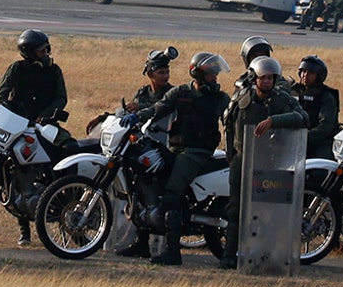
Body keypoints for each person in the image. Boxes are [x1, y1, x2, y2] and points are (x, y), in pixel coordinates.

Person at [133, 50, 231, 266]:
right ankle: (141, 243)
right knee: (149, 180)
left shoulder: (220, 98)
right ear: (196, 74)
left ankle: (173, 252)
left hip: (197, 152)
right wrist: (136, 117)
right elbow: (159, 108)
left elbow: (232, 120)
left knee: (170, 196)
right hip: (176, 148)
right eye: (211, 74)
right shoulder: (181, 92)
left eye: (215, 74)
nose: (215, 78)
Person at [221, 56, 307, 263]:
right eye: (263, 77)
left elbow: (302, 118)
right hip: (242, 159)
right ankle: (229, 256)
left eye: (270, 78)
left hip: (269, 161)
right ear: (254, 78)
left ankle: (266, 255)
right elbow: (228, 124)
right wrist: (231, 156)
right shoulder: (241, 98)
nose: (266, 81)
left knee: (268, 211)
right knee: (235, 210)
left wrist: (274, 120)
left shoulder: (280, 99)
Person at [0, 29, 68, 246]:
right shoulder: (17, 69)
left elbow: (61, 98)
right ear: (29, 52)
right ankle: (24, 229)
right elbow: (2, 94)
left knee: (68, 148)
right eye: (41, 49)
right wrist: (7, 110)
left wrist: (44, 116)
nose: (46, 52)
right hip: (19, 126)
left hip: (46, 126)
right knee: (18, 169)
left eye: (47, 48)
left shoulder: (54, 71)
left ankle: (65, 198)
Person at [114, 47, 178, 258]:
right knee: (138, 188)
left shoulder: (172, 93)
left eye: (166, 72)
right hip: (142, 145)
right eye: (161, 72)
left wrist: (139, 110)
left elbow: (160, 110)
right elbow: (131, 113)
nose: (165, 76)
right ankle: (141, 241)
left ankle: (168, 244)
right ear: (150, 74)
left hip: (164, 146)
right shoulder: (142, 93)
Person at [293, 55, 340, 160]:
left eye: (311, 73)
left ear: (319, 76)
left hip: (319, 143)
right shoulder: (293, 91)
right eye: (303, 71)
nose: (305, 75)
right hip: (293, 141)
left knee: (319, 172)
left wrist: (304, 137)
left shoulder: (326, 97)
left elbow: (325, 127)